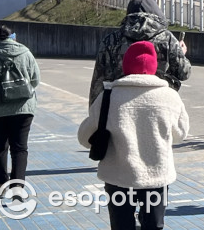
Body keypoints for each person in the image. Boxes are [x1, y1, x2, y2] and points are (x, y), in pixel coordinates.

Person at [78, 41, 189, 230]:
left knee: (122, 225)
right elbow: (180, 134)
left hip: (118, 177)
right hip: (156, 177)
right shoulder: (170, 96)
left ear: (126, 65)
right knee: (153, 226)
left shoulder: (107, 96)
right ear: (154, 67)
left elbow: (84, 137)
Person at [88, 0, 191, 106]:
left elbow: (98, 81)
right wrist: (181, 53)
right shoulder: (167, 39)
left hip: (119, 105)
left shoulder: (111, 40)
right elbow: (184, 73)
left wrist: (95, 113)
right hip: (160, 104)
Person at [0, 26, 40, 198]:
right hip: (23, 108)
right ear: (12, 37)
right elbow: (35, 79)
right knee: (20, 147)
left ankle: (1, 186)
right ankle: (18, 188)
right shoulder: (25, 52)